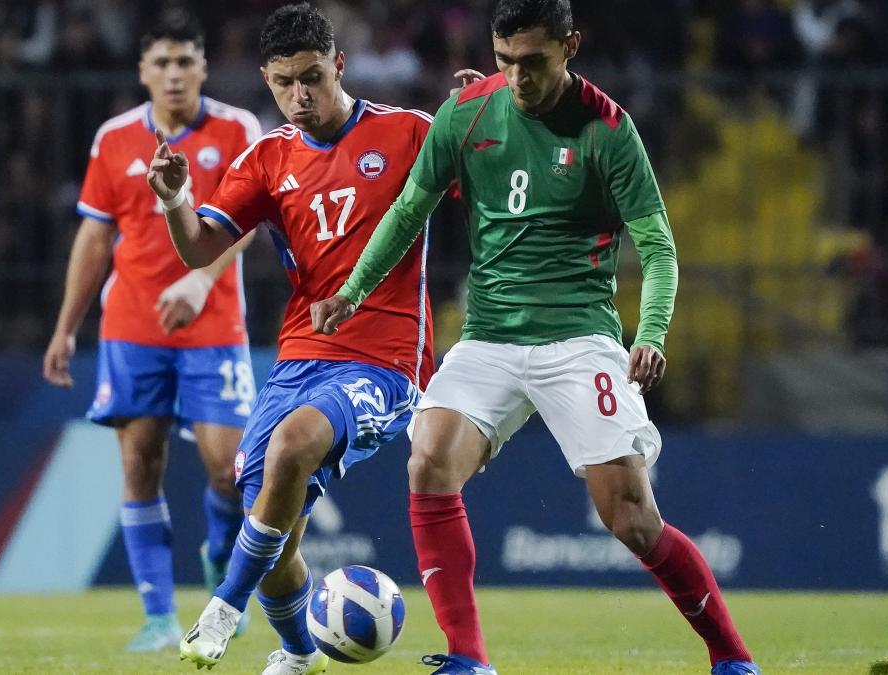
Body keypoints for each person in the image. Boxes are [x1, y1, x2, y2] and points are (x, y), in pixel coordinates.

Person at [310, 1, 761, 674]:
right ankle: (470, 658)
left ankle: (731, 656)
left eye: (534, 62)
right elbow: (410, 208)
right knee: (428, 459)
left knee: (631, 518)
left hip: (579, 337)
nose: (517, 78)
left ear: (570, 45)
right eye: (503, 61)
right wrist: (352, 289)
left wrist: (655, 330)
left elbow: (659, 249)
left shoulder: (609, 130)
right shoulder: (466, 114)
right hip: (489, 335)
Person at [148, 4, 434, 674]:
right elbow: (199, 249)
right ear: (267, 79)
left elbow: (485, 187)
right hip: (300, 358)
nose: (300, 95)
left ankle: (222, 607)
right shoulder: (267, 157)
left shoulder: (409, 134)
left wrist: (479, 109)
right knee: (274, 531)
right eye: (284, 83)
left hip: (385, 360)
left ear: (339, 63)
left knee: (293, 442)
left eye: (312, 76)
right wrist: (173, 201)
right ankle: (302, 653)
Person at [42, 10, 260, 652]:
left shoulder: (236, 128)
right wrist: (65, 327)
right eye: (161, 63)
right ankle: (159, 617)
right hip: (133, 325)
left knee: (231, 471)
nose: (173, 74)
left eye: (185, 61)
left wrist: (199, 279)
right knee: (140, 463)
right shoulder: (113, 139)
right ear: (143, 71)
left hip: (214, 322)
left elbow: (246, 221)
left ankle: (220, 557)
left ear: (202, 67)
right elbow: (95, 235)